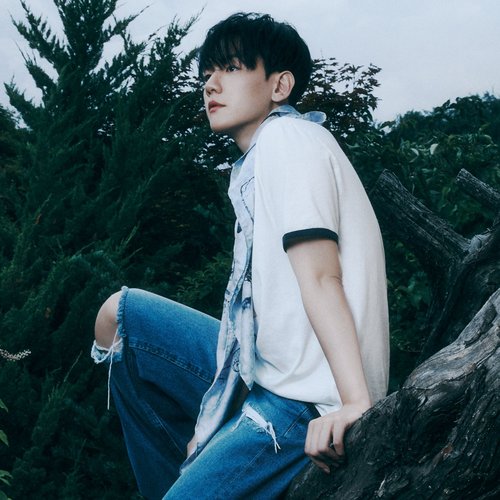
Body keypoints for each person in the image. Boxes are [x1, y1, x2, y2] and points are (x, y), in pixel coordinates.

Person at [92, 12, 389, 500]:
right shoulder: (260, 160)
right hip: (267, 376)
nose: (210, 84)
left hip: (303, 402)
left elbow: (322, 276)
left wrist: (354, 402)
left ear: (280, 85)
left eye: (230, 68)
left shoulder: (289, 140)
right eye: (207, 73)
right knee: (120, 319)